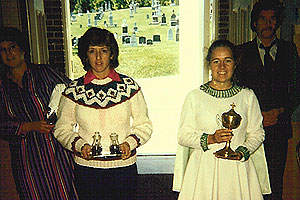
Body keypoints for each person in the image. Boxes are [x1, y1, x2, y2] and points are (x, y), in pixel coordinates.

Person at [54, 27, 153, 200]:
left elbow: (144, 125)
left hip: (123, 169)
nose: (98, 57)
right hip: (87, 170)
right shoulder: (73, 90)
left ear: (112, 54)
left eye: (104, 51)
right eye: (92, 51)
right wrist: (79, 146)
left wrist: (129, 144)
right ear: (85, 55)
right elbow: (61, 129)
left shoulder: (129, 87)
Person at [172, 39, 270, 200]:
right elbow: (183, 135)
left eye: (227, 61)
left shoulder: (247, 96)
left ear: (235, 64)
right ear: (209, 64)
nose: (222, 67)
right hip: (204, 171)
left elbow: (257, 133)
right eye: (216, 61)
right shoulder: (195, 97)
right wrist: (211, 138)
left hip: (238, 170)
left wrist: (242, 152)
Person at [0, 27, 78, 199]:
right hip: (27, 160)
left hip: (57, 153)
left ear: (22, 49)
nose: (9, 53)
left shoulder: (44, 73)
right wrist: (28, 126)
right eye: (3, 50)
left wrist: (62, 118)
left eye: (12, 47)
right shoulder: (3, 87)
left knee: (67, 193)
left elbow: (73, 93)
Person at [235, 1, 300, 199]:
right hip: (248, 130)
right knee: (248, 183)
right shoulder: (241, 52)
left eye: (272, 19)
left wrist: (281, 113)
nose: (268, 23)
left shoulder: (289, 51)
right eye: (263, 19)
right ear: (254, 23)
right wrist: (257, 116)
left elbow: (297, 88)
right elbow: (236, 92)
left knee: (274, 185)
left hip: (278, 130)